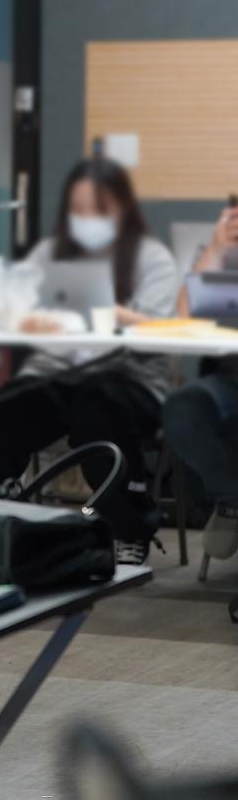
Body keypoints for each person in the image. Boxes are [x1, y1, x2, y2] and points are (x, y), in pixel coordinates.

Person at [0, 157, 178, 565]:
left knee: (98, 411)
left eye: (98, 209)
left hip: (127, 378)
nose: (87, 219)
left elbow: (160, 326)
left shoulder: (151, 258)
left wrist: (104, 307)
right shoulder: (52, 252)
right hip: (56, 375)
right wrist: (15, 311)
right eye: (78, 209)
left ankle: (128, 529)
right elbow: (15, 306)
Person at [162, 203, 238, 561]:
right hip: (228, 381)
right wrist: (217, 248)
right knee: (183, 409)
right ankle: (232, 499)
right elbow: (186, 314)